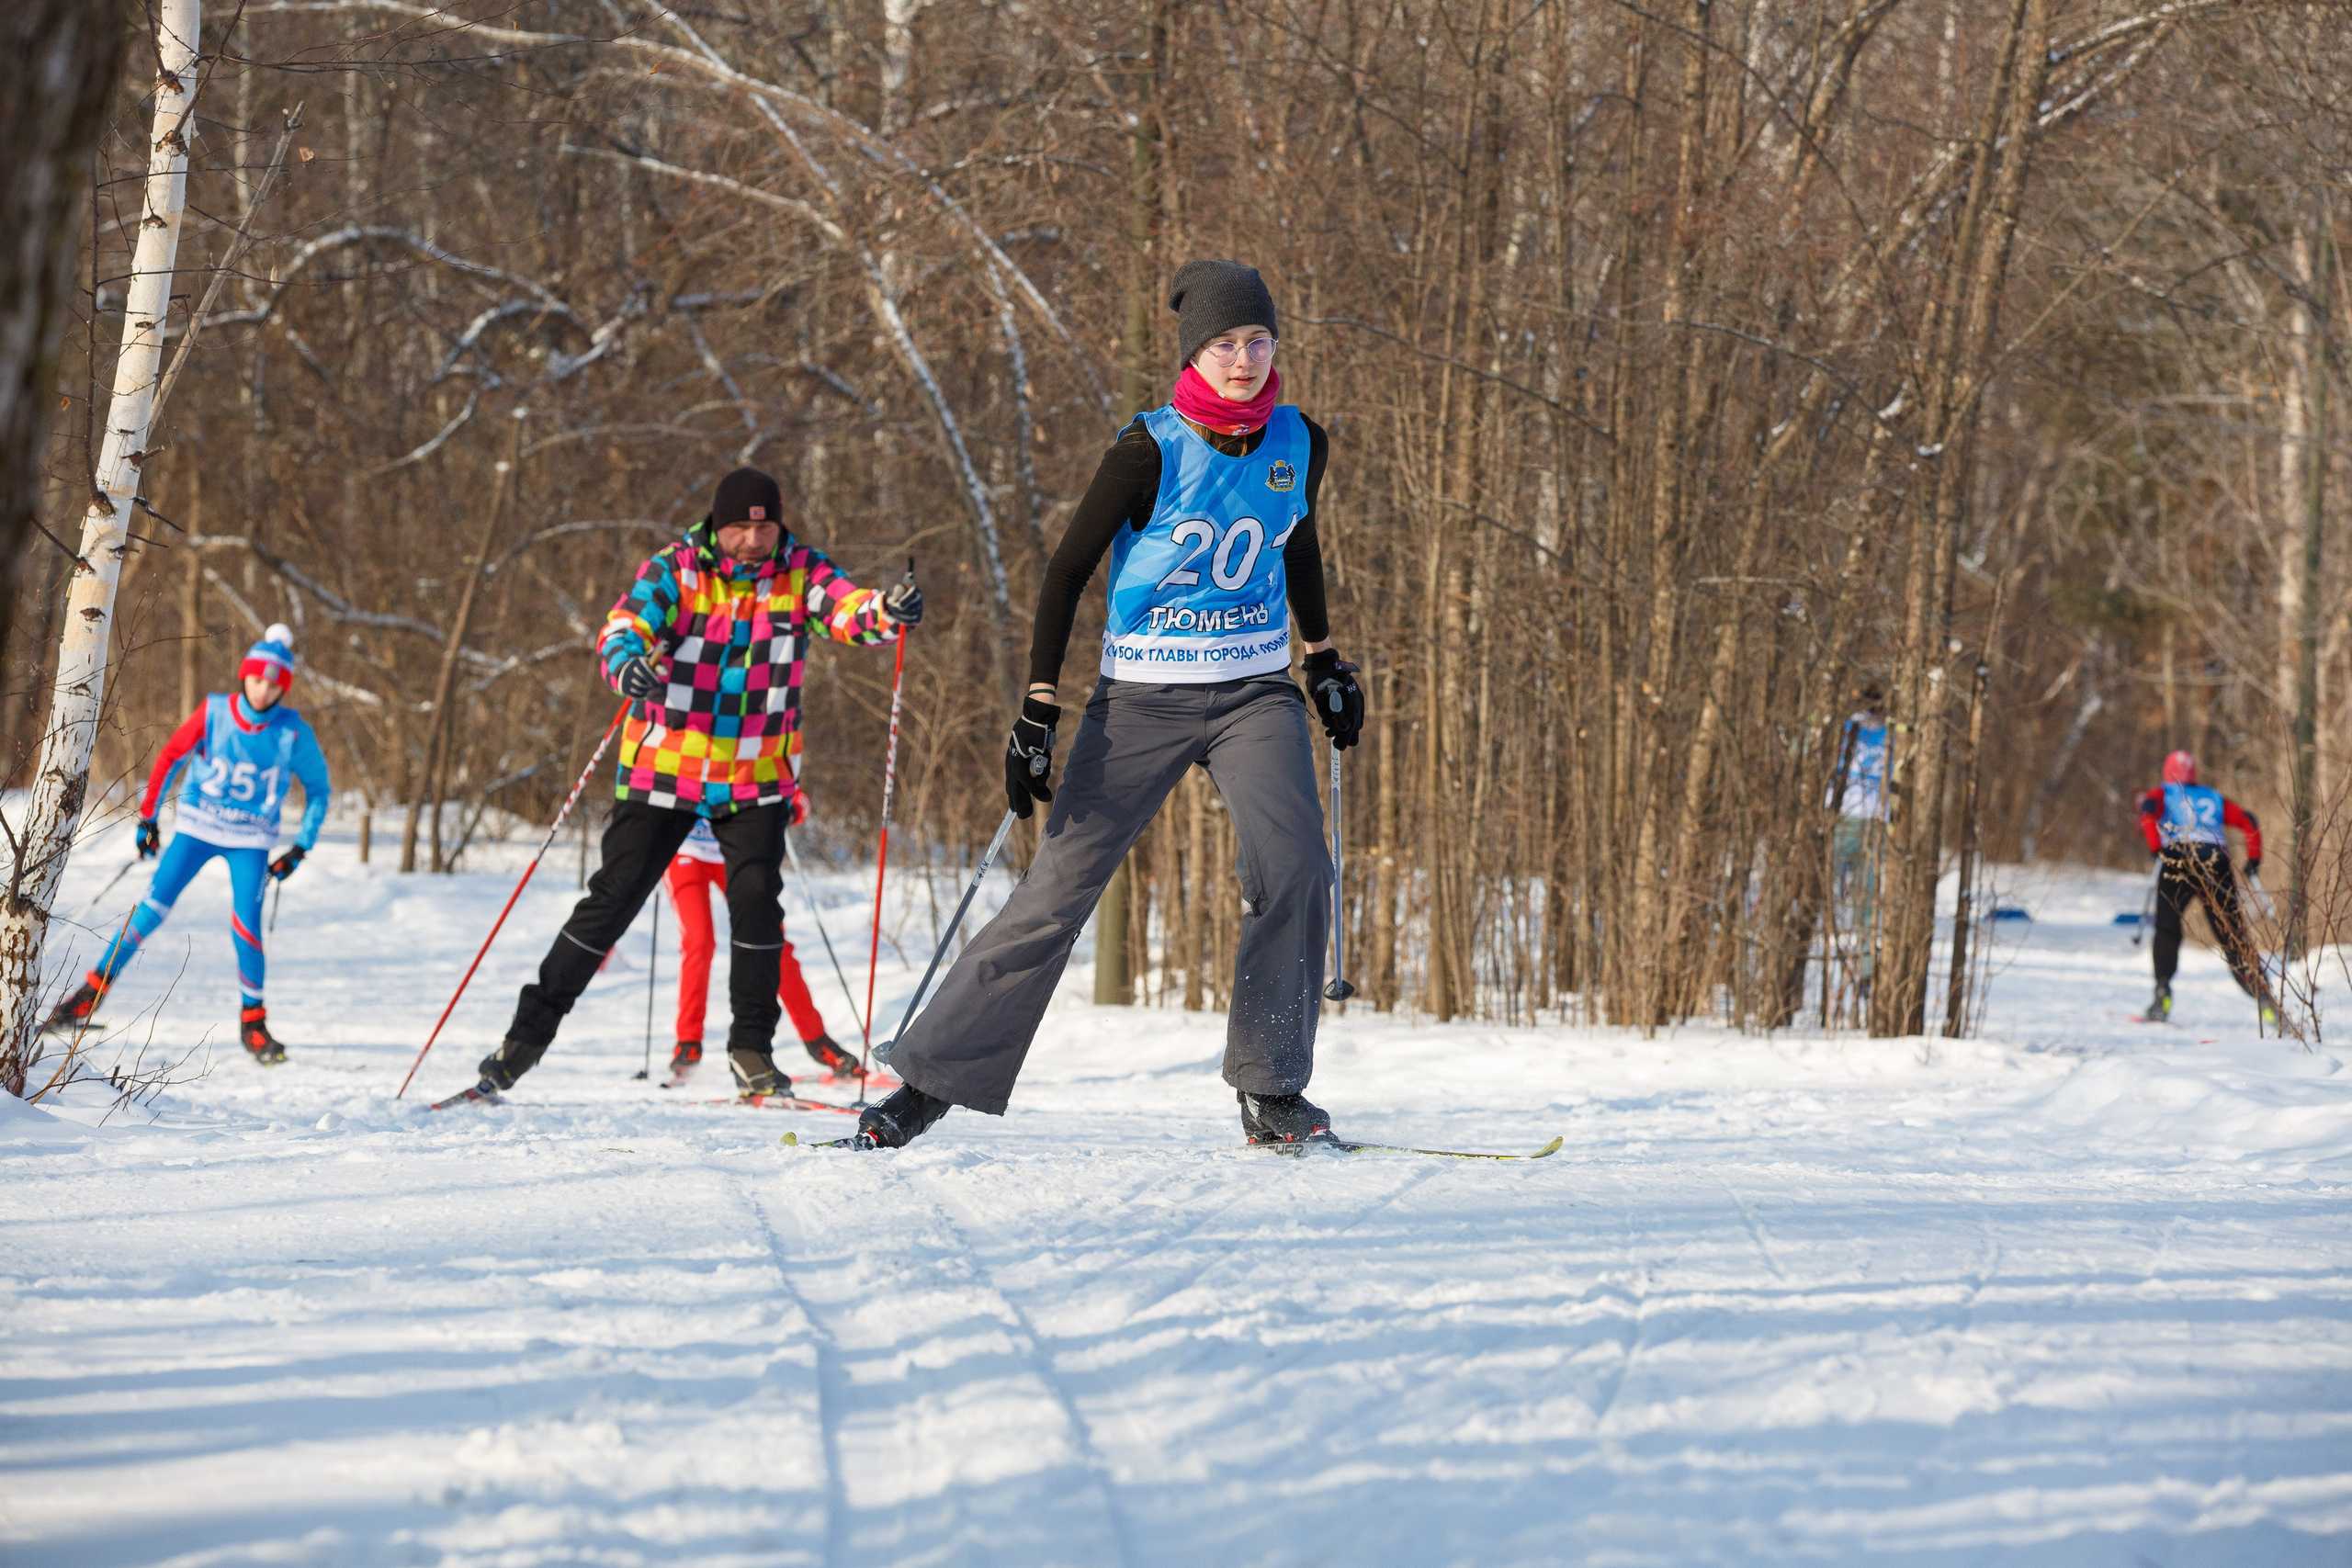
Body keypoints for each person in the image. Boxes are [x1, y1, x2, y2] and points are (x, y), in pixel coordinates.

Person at [854, 258, 1364, 1151]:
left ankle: (1271, 1088)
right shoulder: (1149, 446)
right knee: (1057, 890)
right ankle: (927, 1084)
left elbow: (1299, 546)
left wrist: (1321, 657)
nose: (1242, 359)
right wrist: (1038, 711)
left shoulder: (1300, 441)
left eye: (1257, 340)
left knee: (1295, 871)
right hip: (1143, 697)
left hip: (1253, 692)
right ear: (1192, 355)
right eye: (1222, 344)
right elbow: (1066, 570)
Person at [454, 468, 921, 1100]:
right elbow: (623, 628)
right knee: (612, 900)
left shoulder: (799, 570)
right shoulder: (676, 569)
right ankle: (521, 1043)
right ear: (717, 526)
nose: (754, 539)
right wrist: (627, 668)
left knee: (757, 902)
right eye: (741, 527)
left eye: (765, 525)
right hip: (664, 769)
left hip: (757, 776)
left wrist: (887, 612)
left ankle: (752, 1051)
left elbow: (845, 609)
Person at [43, 625, 329, 1063]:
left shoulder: (292, 732)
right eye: (258, 678)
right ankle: (87, 997)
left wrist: (301, 847)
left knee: (247, 927)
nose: (265, 689)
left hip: (249, 840)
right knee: (150, 911)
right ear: (244, 675)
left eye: (275, 683)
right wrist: (149, 819)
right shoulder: (215, 712)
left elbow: (319, 790)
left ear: (283, 687)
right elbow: (171, 757)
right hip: (197, 828)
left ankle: (253, 1022)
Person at [661, 813, 857, 1082]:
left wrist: (793, 804)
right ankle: (688, 1043)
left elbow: (787, 786)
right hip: (685, 850)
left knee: (773, 942)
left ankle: (816, 1039)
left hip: (736, 850)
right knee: (699, 941)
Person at [2136, 750, 2279, 1026]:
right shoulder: (2213, 796)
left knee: (2167, 928)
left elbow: (2147, 813)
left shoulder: (2162, 793)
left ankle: (2162, 993)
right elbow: (2248, 821)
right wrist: (2254, 859)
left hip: (2178, 859)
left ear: (2168, 771)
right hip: (2216, 862)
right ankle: (2265, 999)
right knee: (2232, 934)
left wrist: (2157, 849)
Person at [1829, 685, 1889, 969]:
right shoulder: (1891, 733)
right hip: (1875, 818)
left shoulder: (1844, 728)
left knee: (1823, 886)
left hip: (1847, 814)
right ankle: (1865, 968)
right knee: (1867, 904)